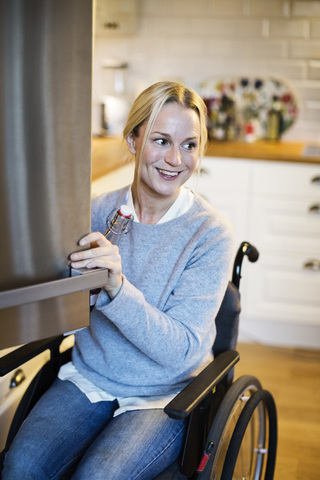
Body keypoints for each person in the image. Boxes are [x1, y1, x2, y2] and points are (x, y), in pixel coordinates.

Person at [2, 81, 233, 480]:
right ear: (133, 140)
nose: (176, 159)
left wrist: (116, 288)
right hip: (91, 376)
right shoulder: (94, 214)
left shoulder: (210, 234)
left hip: (165, 391)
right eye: (161, 140)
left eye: (190, 145)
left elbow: (180, 351)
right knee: (21, 467)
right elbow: (60, 308)